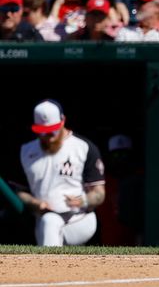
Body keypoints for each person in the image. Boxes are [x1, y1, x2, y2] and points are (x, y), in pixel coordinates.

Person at [16, 99, 105, 246]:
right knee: (49, 221)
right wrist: (34, 202)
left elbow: (99, 193)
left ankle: (51, 268)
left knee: (50, 222)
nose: (49, 136)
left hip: (79, 219)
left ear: (63, 121)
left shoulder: (83, 147)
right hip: (43, 219)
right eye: (44, 132)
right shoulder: (26, 151)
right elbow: (19, 191)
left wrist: (83, 200)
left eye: (53, 130)